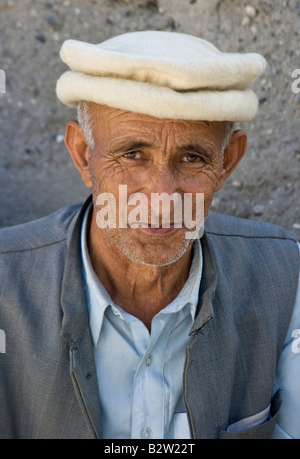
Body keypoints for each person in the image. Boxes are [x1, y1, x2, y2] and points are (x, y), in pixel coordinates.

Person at [0, 31, 299, 440]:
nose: (160, 199)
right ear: (83, 154)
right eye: (132, 154)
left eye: (192, 158)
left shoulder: (287, 277)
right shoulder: (5, 287)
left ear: (227, 162)